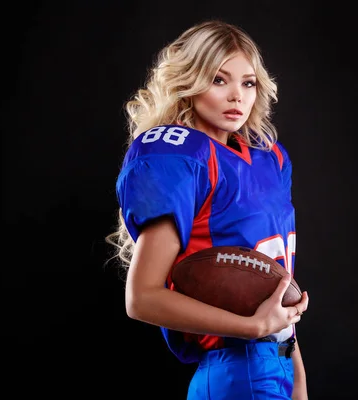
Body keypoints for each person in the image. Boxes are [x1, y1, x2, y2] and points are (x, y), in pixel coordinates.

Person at [106, 19, 310, 400]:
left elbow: (268, 290)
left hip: (277, 361)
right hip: (237, 367)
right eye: (219, 80)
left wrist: (296, 374)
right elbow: (141, 297)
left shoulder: (270, 159)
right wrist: (251, 328)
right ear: (189, 82)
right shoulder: (179, 154)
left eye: (247, 82)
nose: (237, 96)